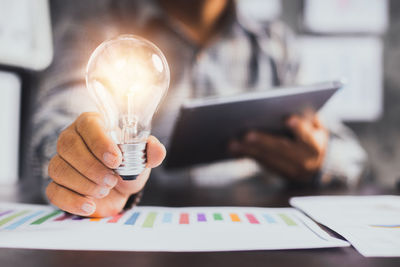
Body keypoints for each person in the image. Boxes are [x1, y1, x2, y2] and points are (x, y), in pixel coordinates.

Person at [31, 0, 366, 217]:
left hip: (245, 228)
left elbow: (347, 149)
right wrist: (81, 165)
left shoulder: (275, 46)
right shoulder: (97, 26)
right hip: (133, 218)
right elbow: (62, 124)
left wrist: (317, 161)